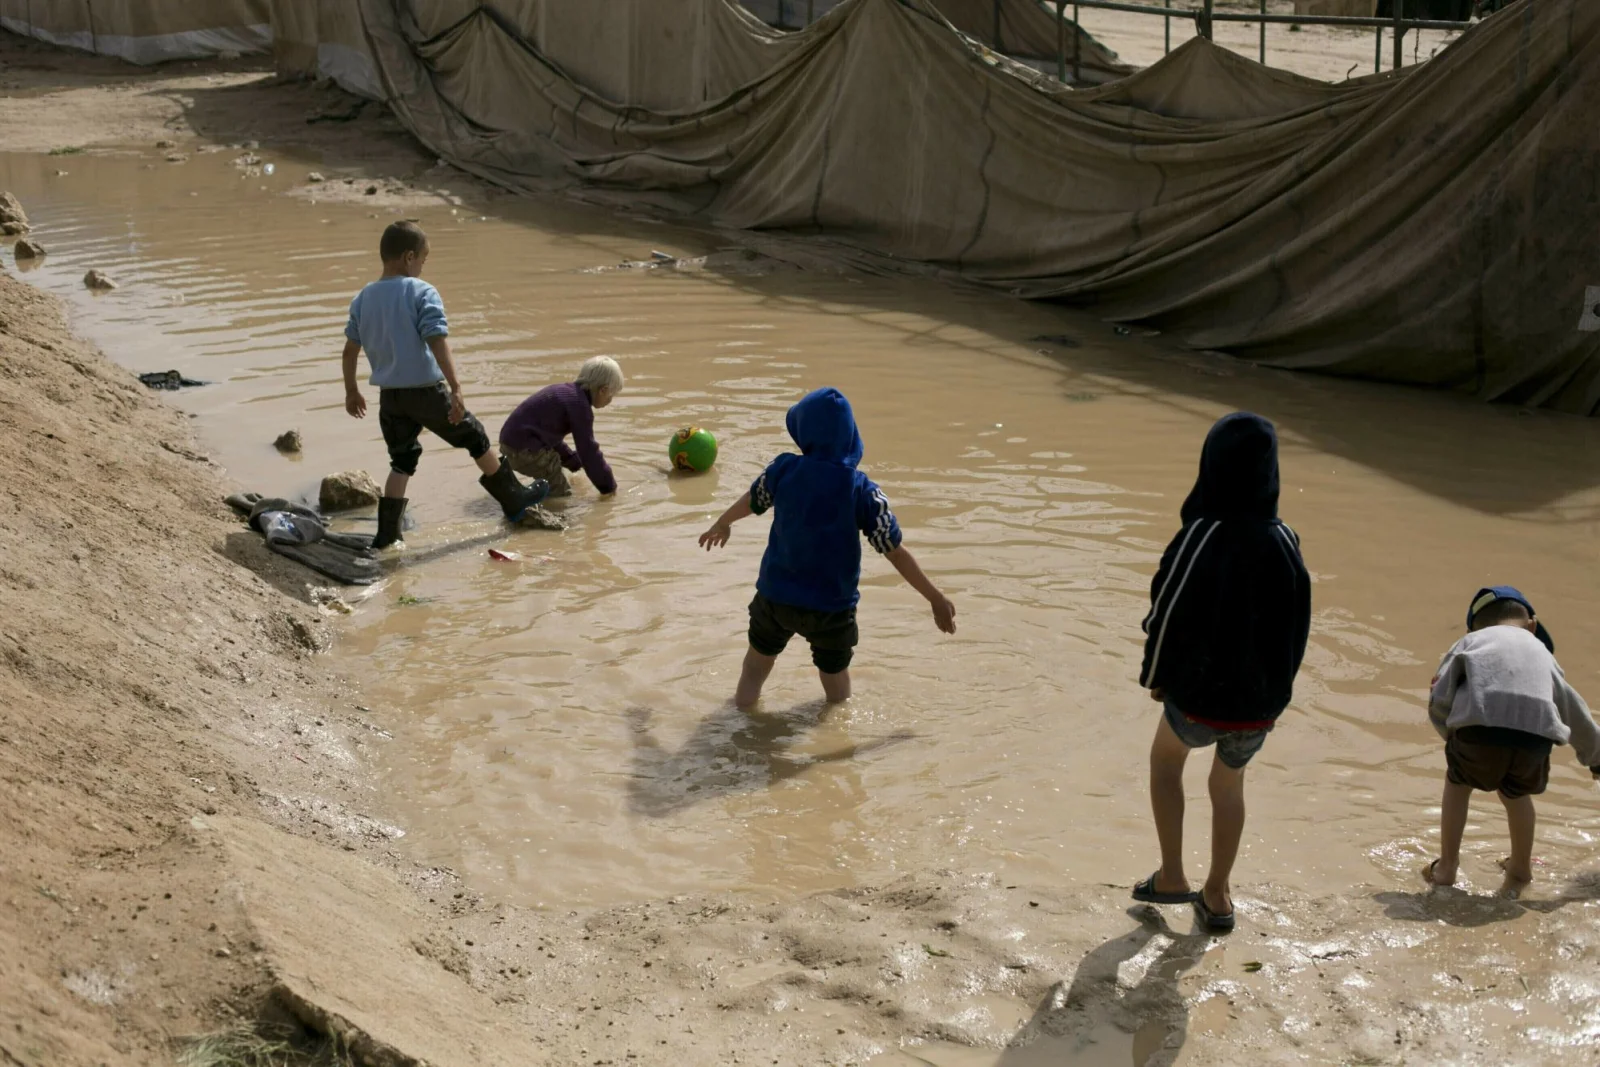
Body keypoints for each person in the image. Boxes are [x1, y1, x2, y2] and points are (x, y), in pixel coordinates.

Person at [1131, 412, 1311, 934]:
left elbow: (1165, 610)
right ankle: (1217, 894)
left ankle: (1171, 876)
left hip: (1198, 696)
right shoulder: (1285, 537)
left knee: (1167, 763)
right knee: (1228, 787)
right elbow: (1296, 623)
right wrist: (1278, 697)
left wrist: (1155, 676)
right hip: (1258, 706)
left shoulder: (1202, 532)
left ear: (1210, 467)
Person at [697, 387, 955, 709]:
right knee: (835, 685)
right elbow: (894, 551)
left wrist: (723, 522)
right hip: (831, 609)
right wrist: (935, 597)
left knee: (754, 668)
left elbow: (754, 500)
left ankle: (740, 720)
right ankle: (836, 740)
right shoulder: (862, 491)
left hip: (775, 599)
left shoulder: (784, 470)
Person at [342, 220, 547, 548]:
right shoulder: (421, 291)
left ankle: (387, 534)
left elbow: (350, 349)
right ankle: (513, 497)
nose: (423, 266)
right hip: (426, 392)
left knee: (402, 460)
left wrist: (351, 390)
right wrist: (455, 386)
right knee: (475, 436)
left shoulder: (363, 299)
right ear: (409, 257)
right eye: (423, 259)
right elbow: (436, 338)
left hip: (391, 398)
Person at [1423, 586, 1600, 897]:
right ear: (1532, 625)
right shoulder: (1542, 653)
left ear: (1475, 627)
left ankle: (1447, 866)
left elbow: (1440, 696)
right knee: (1516, 794)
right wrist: (1595, 757)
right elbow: (1573, 707)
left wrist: (1451, 739)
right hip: (1535, 740)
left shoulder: (1469, 642)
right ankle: (1520, 867)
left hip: (1477, 733)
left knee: (1458, 784)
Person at [499, 356, 622, 498]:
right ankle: (543, 513)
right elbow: (588, 451)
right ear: (603, 390)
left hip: (509, 445)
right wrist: (608, 487)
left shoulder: (565, 392)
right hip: (524, 451)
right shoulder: (580, 407)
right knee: (561, 495)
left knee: (553, 466)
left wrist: (573, 462)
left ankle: (531, 495)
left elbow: (549, 436)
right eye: (611, 395)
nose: (610, 401)